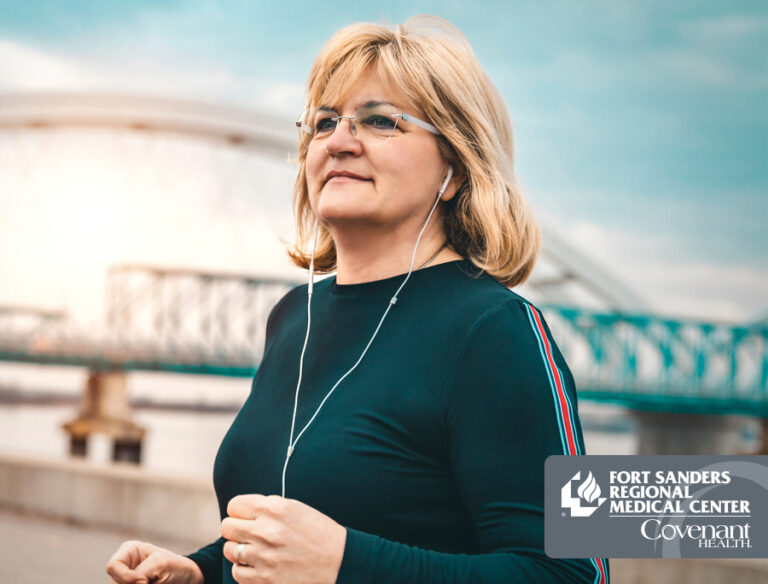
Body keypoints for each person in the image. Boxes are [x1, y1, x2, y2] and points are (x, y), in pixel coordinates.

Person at [107, 14, 610, 584]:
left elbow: (573, 572)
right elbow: (289, 532)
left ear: (454, 168)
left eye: (380, 121)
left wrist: (349, 565)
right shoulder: (294, 315)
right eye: (324, 123)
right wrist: (203, 572)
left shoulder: (495, 330)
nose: (340, 142)